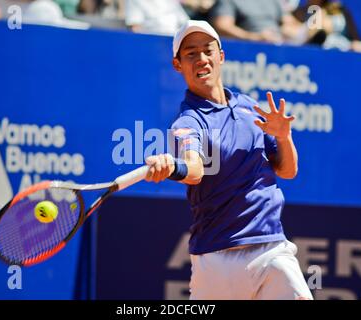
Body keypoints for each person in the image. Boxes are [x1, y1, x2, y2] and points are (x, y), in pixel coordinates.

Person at [144, 20, 313, 300]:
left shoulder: (249, 107)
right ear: (177, 65)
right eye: (191, 54)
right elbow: (194, 169)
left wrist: (284, 137)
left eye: (207, 50)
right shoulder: (187, 122)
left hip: (272, 248)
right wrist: (174, 166)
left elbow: (288, 170)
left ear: (220, 56)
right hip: (217, 261)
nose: (201, 59)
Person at [293, 0, 361, 53]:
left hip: (343, 49)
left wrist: (355, 44)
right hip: (317, 51)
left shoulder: (339, 8)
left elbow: (355, 36)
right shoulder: (299, 13)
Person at [210, 0, 306, 44]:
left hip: (278, 50)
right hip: (246, 54)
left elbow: (290, 24)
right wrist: (254, 37)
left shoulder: (273, 1)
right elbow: (222, 27)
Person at [125, 0, 189, 36]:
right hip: (153, 44)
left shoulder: (171, 2)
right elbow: (135, 29)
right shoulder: (135, 1)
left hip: (177, 42)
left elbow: (185, 23)